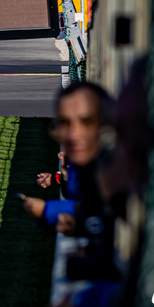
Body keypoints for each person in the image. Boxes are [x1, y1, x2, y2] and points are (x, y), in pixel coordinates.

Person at [20, 82, 111, 234]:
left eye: (86, 122)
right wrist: (59, 177)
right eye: (64, 123)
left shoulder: (115, 166)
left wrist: (46, 210)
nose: (73, 134)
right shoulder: (82, 163)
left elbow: (99, 213)